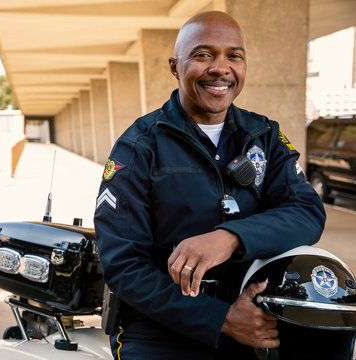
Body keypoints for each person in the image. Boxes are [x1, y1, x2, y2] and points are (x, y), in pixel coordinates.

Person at [94, 11, 326, 359]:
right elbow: (124, 264)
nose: (220, 68)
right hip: (161, 329)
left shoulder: (266, 136)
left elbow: (306, 212)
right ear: (175, 66)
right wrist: (219, 319)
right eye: (203, 55)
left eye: (234, 56)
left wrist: (231, 238)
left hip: (255, 316)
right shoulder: (139, 146)